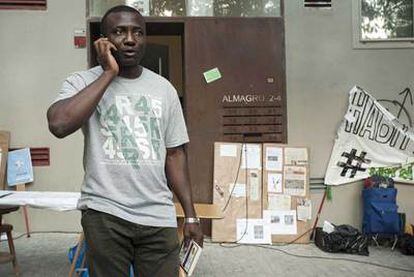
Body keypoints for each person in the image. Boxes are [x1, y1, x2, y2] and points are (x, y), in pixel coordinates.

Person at [47, 5, 203, 277]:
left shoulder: (163, 89)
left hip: (158, 215)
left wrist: (190, 215)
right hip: (105, 213)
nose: (130, 39)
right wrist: (108, 73)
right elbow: (59, 124)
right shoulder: (82, 82)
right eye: (119, 32)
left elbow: (176, 155)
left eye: (137, 33)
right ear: (103, 40)